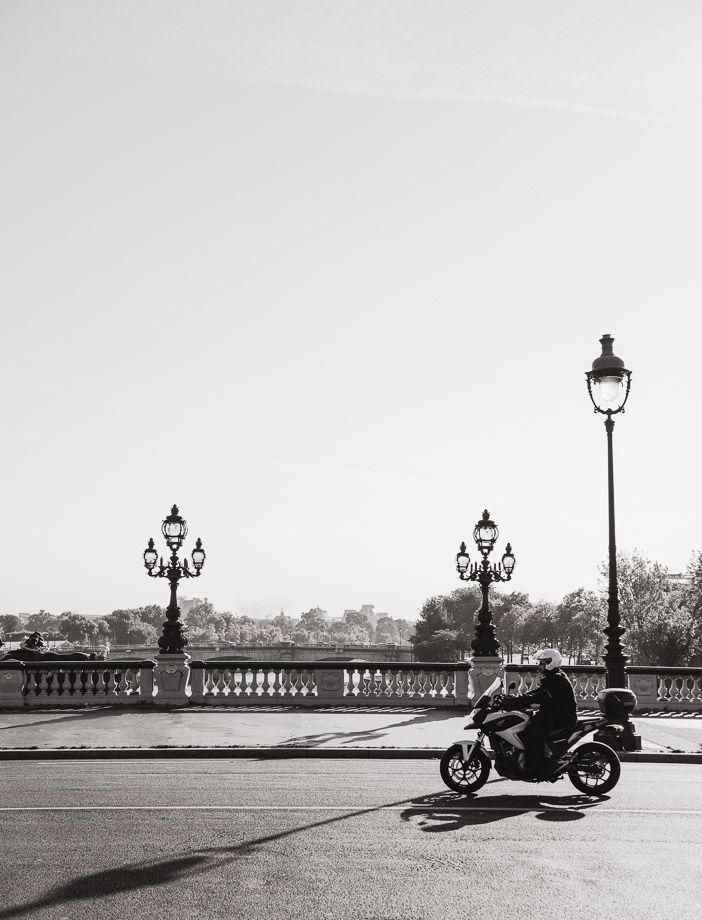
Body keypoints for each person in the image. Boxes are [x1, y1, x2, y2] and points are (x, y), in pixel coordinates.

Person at [502, 648, 577, 779]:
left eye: (542, 663)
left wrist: (520, 701)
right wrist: (517, 698)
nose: (540, 666)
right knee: (526, 725)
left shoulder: (558, 679)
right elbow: (537, 692)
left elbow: (541, 696)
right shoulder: (552, 676)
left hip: (560, 717)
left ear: (551, 662)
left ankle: (535, 768)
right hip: (551, 714)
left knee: (531, 732)